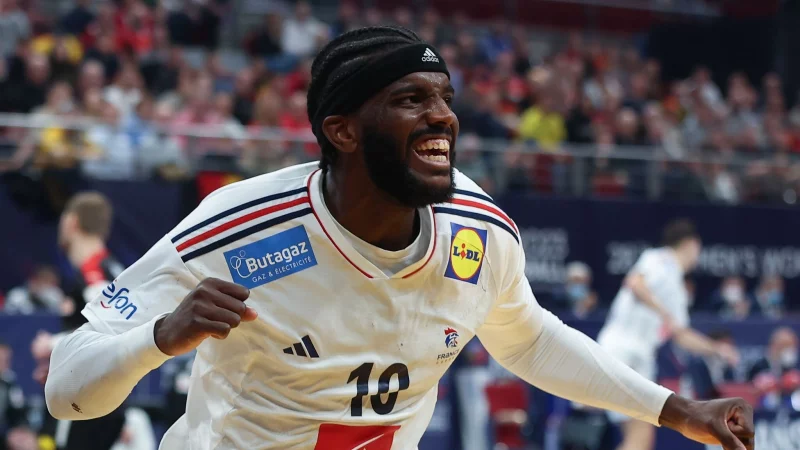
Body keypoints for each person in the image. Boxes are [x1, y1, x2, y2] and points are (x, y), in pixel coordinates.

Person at [45, 27, 754, 450]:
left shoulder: (479, 230)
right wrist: (158, 339)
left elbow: (528, 338)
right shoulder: (239, 226)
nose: (443, 117)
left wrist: (675, 410)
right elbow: (66, 392)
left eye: (445, 98)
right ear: (343, 130)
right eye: (412, 99)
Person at [597, 219, 742, 450]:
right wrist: (664, 312)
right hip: (621, 352)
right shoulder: (659, 259)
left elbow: (681, 334)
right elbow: (635, 284)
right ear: (691, 244)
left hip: (640, 361)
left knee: (640, 437)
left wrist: (717, 349)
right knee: (639, 435)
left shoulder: (678, 287)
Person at [35, 192, 128, 450]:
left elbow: (113, 326)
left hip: (86, 400)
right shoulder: (111, 269)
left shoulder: (94, 272)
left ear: (71, 222)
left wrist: (52, 343)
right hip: (102, 395)